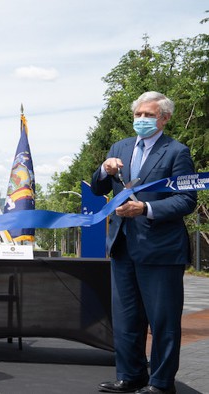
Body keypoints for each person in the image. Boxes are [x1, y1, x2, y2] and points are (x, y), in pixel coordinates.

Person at [92, 91, 196, 394]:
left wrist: (146, 209)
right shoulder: (120, 148)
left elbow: (186, 200)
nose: (141, 120)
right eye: (138, 114)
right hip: (123, 245)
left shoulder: (177, 152)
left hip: (161, 249)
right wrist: (103, 169)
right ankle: (129, 376)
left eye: (148, 115)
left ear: (164, 118)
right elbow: (99, 188)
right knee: (126, 319)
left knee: (162, 321)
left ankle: (161, 383)